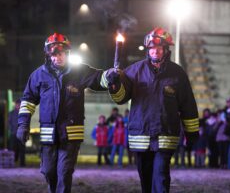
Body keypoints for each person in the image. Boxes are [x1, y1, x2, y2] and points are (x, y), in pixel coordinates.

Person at [106, 27, 199, 193]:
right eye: (151, 48)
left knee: (161, 175)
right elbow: (120, 99)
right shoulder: (134, 71)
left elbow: (188, 105)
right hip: (141, 136)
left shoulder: (177, 74)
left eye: (158, 48)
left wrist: (191, 133)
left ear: (165, 50)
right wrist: (114, 85)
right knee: (146, 178)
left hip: (165, 135)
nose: (155, 51)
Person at [16, 33, 110, 193]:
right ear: (48, 55)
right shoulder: (38, 75)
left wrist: (110, 76)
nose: (56, 58)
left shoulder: (79, 71)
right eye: (53, 54)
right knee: (48, 171)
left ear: (67, 53)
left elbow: (99, 79)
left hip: (70, 135)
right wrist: (23, 124)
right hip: (48, 136)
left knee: (64, 172)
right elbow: (28, 101)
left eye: (60, 54)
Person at [8, 99, 26, 167]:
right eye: (17, 104)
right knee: (13, 149)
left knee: (22, 149)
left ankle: (22, 164)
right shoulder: (11, 113)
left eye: (20, 104)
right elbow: (9, 122)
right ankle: (13, 162)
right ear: (15, 105)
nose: (18, 106)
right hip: (14, 133)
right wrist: (12, 129)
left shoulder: (24, 113)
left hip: (21, 134)